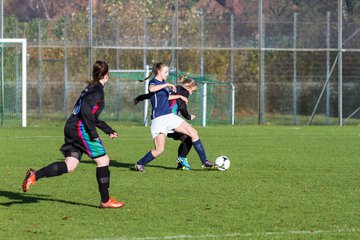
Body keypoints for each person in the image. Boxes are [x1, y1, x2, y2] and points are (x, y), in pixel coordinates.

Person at [22, 60, 125, 209]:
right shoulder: (97, 91)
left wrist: (107, 129)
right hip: (80, 128)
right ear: (107, 75)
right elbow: (85, 111)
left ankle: (35, 175)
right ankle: (105, 200)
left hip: (72, 126)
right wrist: (93, 133)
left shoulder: (90, 88)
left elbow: (90, 115)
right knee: (103, 161)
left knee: (70, 165)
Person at [134, 62, 215, 172]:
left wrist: (180, 96)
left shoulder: (162, 82)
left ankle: (204, 161)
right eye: (165, 72)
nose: (167, 74)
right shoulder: (154, 82)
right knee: (159, 149)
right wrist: (166, 85)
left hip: (169, 116)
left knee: (193, 133)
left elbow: (166, 97)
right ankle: (139, 163)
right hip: (158, 119)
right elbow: (151, 89)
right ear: (158, 72)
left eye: (168, 72)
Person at [133, 75, 199, 170]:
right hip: (169, 122)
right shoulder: (184, 91)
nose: (191, 93)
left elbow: (155, 96)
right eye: (192, 90)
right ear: (188, 85)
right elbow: (181, 107)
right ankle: (182, 161)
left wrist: (140, 97)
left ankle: (181, 163)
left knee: (185, 139)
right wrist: (188, 116)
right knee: (189, 137)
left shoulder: (173, 90)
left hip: (167, 122)